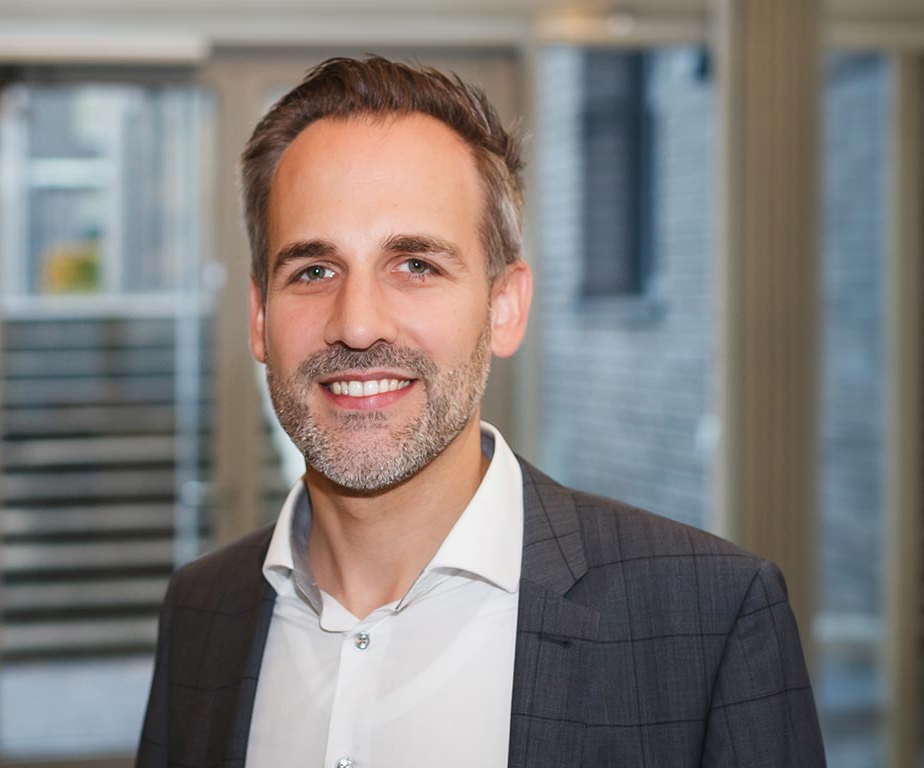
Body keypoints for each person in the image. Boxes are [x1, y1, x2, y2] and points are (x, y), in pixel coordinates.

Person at [136, 55, 825, 767]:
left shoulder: (709, 621)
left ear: (504, 307)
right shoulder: (202, 611)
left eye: (416, 265)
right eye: (314, 271)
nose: (358, 324)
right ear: (259, 317)